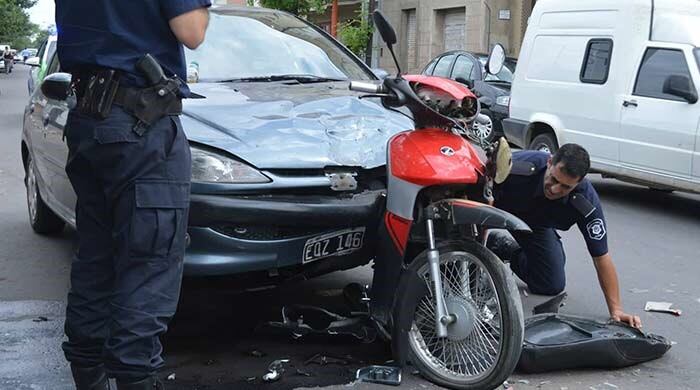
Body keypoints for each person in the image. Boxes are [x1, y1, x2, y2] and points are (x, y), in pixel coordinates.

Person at [55, 1, 210, 389]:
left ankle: (89, 374)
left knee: (96, 256)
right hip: (140, 123)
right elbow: (192, 31)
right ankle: (133, 375)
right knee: (149, 260)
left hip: (89, 118)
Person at [489, 144, 642, 328]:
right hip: (495, 209)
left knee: (550, 284)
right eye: (553, 179)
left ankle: (504, 248)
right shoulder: (519, 166)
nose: (554, 189)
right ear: (549, 162)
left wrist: (616, 310)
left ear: (578, 183)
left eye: (565, 187)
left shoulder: (585, 202)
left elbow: (601, 256)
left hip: (534, 226)